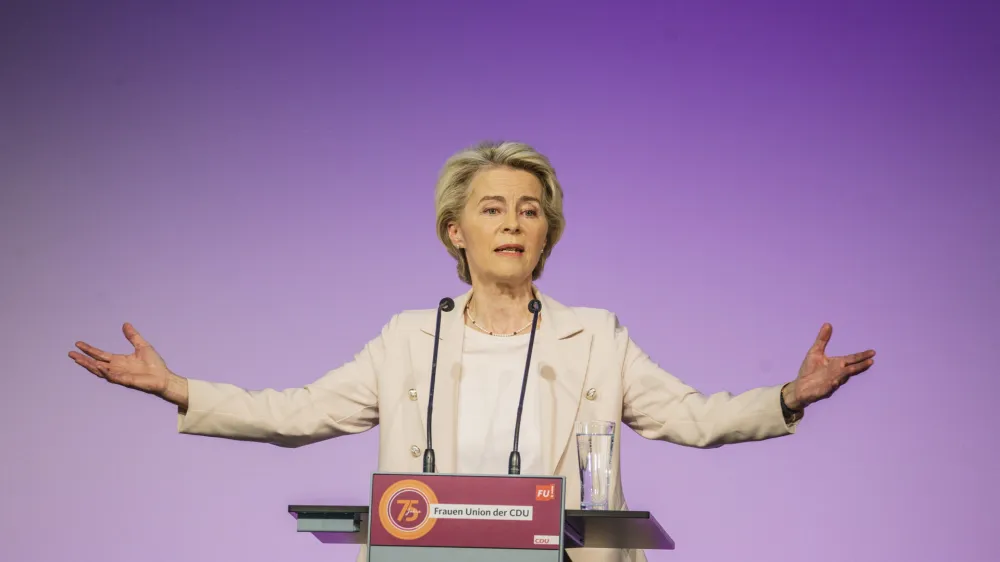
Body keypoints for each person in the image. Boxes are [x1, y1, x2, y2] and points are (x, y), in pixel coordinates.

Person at [68, 140, 876, 562]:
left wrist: (789, 397)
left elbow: (691, 417)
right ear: (458, 233)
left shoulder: (593, 336)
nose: (514, 223)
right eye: (493, 209)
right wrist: (180, 389)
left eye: (530, 210)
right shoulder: (408, 338)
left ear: (547, 233)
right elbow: (297, 414)